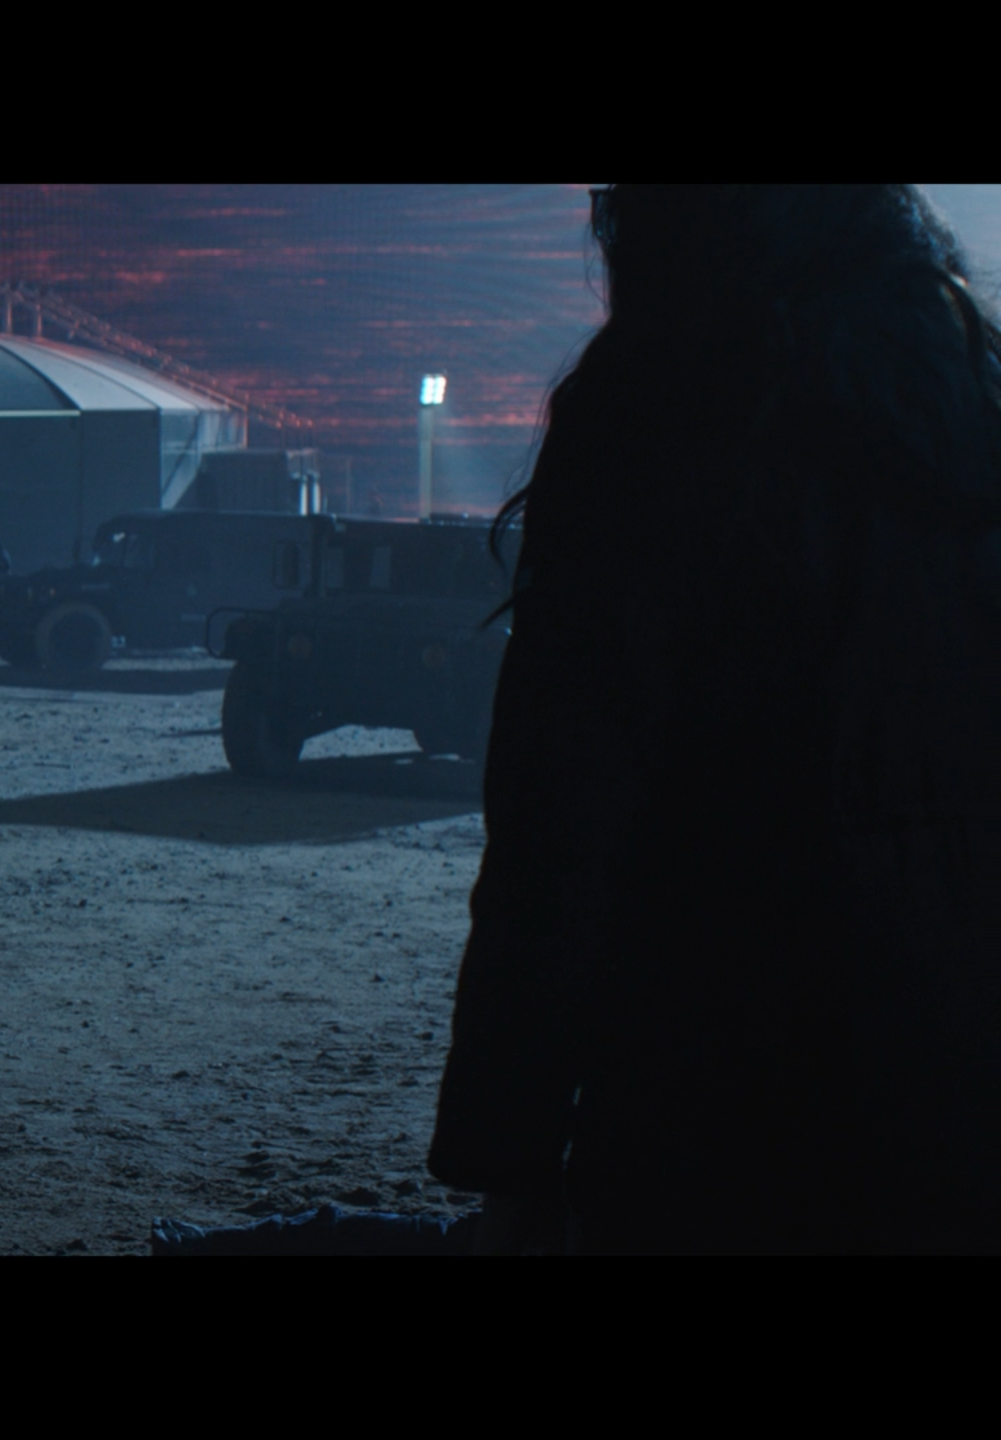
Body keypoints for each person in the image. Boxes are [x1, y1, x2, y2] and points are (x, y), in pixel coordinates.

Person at [428, 185, 1001, 1254]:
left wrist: (506, 1156)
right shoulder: (975, 395)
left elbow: (564, 820)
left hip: (721, 1097)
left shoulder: (659, 408)